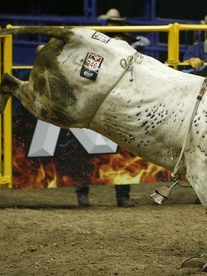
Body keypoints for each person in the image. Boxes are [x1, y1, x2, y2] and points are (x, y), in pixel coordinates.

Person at [75, 8, 148, 208]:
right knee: (87, 150)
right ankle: (83, 192)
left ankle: (122, 195)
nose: (115, 29)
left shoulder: (130, 53)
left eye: (117, 26)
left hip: (118, 107)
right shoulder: (95, 51)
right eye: (112, 25)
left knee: (122, 151)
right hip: (95, 107)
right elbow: (86, 77)